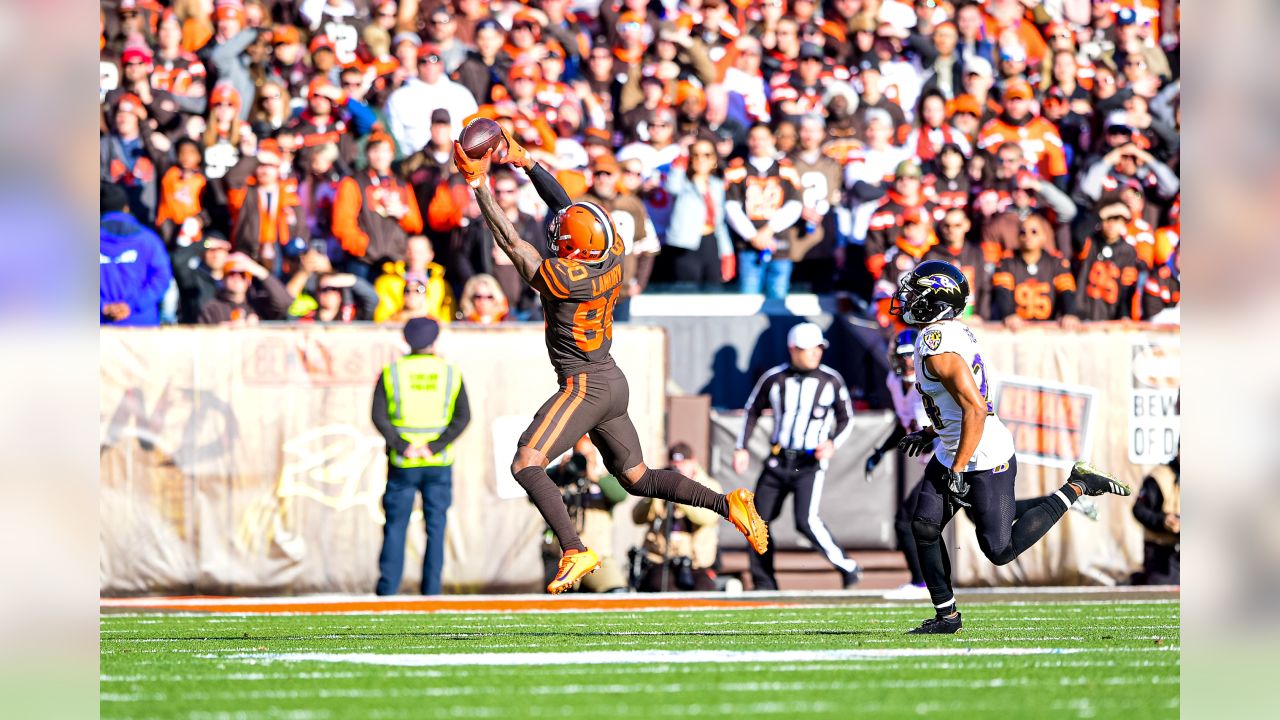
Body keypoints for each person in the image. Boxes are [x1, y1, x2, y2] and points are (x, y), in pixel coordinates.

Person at [453, 128, 769, 595]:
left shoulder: (564, 276)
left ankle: (574, 548)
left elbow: (512, 244)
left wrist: (479, 184)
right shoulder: (613, 253)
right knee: (638, 478)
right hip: (610, 378)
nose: (555, 235)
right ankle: (728, 503)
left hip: (584, 385)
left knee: (526, 461)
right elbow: (566, 210)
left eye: (562, 238)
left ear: (573, 249)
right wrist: (528, 163)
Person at [888, 259, 1132, 633]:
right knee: (923, 525)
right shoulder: (942, 334)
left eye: (915, 293)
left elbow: (976, 408)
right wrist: (933, 432)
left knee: (999, 550)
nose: (905, 299)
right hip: (956, 446)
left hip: (984, 455)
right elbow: (958, 405)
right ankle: (946, 616)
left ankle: (1078, 485)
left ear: (934, 301)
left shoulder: (937, 344)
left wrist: (956, 469)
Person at [732, 322, 862, 590]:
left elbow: (846, 417)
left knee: (806, 521)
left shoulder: (830, 380)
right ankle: (764, 582)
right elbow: (751, 410)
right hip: (778, 460)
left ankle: (847, 566)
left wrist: (832, 443)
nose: (815, 354)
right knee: (756, 521)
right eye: (808, 349)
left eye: (818, 348)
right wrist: (741, 447)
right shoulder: (774, 378)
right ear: (793, 349)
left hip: (809, 462)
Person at [371, 318, 471, 596]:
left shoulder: (392, 372)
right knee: (436, 528)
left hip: (403, 462)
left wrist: (403, 446)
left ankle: (387, 591)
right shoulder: (449, 371)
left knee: (395, 527)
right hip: (437, 463)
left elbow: (378, 416)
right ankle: (431, 592)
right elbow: (464, 417)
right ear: (433, 341)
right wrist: (435, 446)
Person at [865, 329, 931, 600]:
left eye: (910, 356)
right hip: (936, 462)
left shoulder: (930, 381)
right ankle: (1065, 498)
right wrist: (880, 451)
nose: (906, 362)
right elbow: (905, 425)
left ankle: (921, 584)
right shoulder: (894, 380)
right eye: (902, 356)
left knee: (906, 521)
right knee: (986, 523)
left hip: (951, 460)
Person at [632, 443, 724, 592]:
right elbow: (637, 518)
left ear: (693, 462)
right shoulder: (660, 483)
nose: (679, 468)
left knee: (705, 593)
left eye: (683, 464)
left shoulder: (709, 485)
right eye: (675, 464)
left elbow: (707, 518)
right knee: (662, 589)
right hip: (662, 562)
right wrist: (656, 492)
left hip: (696, 564)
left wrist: (681, 494)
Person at [545, 436, 630, 593]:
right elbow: (534, 495)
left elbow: (620, 496)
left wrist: (595, 477)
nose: (582, 460)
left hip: (597, 556)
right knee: (557, 599)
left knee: (618, 593)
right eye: (579, 455)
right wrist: (560, 473)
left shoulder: (604, 477)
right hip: (564, 559)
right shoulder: (563, 478)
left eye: (587, 455)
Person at [100, 182, 173, 327]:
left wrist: (103, 306)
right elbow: (162, 277)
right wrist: (131, 305)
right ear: (126, 208)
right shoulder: (148, 239)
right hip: (141, 327)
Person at [1131, 454, 1180, 585]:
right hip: (1161, 551)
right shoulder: (1160, 477)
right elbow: (1139, 510)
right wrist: (1163, 521)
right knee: (1160, 594)